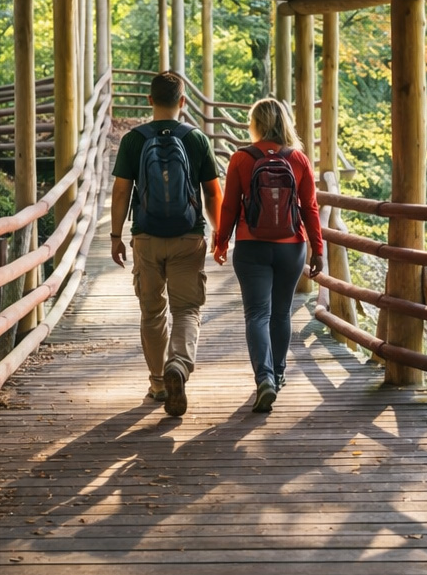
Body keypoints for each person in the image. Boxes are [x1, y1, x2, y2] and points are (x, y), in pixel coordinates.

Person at [110, 71, 222, 418]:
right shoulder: (197, 139)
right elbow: (212, 191)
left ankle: (159, 382)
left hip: (146, 237)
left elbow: (120, 191)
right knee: (187, 309)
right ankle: (179, 365)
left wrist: (116, 236)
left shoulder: (133, 140)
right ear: (183, 102)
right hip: (188, 237)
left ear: (149, 100)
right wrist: (220, 232)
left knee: (152, 311)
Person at [212, 98, 324, 413]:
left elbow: (230, 206)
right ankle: (278, 371)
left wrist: (221, 243)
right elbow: (310, 209)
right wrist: (318, 249)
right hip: (292, 247)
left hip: (252, 246)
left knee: (257, 314)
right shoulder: (299, 159)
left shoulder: (241, 159)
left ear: (256, 124)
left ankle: (264, 379)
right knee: (282, 312)